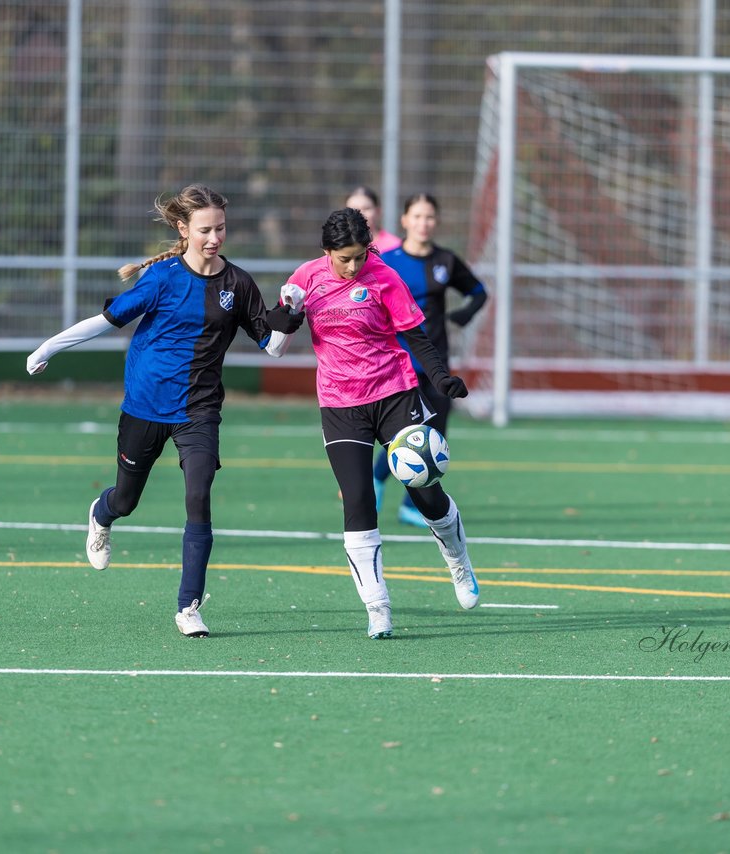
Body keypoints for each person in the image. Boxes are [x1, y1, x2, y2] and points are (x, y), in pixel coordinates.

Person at [26, 184, 304, 638]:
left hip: (199, 410)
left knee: (199, 496)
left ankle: (188, 607)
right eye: (205, 230)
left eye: (220, 228)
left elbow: (272, 347)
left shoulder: (238, 283)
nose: (214, 238)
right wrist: (48, 348)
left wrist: (292, 314)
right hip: (146, 405)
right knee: (126, 500)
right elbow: (106, 321)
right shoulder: (161, 278)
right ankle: (102, 513)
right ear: (183, 228)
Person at [281, 207, 479, 639]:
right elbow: (276, 338)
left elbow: (415, 336)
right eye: (344, 259)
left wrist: (441, 378)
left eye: (360, 256)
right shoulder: (305, 278)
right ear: (326, 251)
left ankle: (458, 562)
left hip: (394, 394)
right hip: (340, 405)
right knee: (358, 501)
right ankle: (378, 607)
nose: (354, 266)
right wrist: (286, 316)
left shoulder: (385, 276)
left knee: (425, 493)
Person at [374, 193, 487, 527]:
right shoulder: (386, 262)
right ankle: (379, 480)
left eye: (429, 217)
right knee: (404, 434)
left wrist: (463, 315)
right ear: (404, 220)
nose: (423, 223)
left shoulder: (445, 261)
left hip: (436, 363)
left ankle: (407, 503)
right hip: (397, 363)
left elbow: (478, 292)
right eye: (417, 216)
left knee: (434, 435)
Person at [344, 185, 402, 253]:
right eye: (353, 209)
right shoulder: (337, 244)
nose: (360, 213)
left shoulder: (395, 247)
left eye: (366, 208)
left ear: (378, 211)